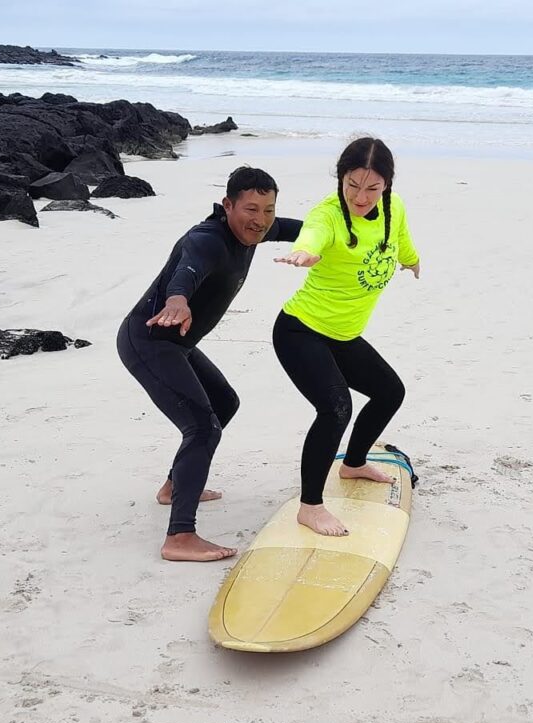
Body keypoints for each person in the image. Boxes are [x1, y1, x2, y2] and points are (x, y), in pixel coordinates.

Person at [117, 167, 302, 562]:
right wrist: (177, 300)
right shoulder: (209, 239)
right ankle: (180, 537)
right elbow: (187, 270)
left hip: (177, 343)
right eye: (251, 209)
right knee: (202, 426)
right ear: (227, 205)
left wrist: (352, 232)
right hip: (149, 340)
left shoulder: (254, 229)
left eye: (269, 209)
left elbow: (297, 229)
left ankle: (173, 487)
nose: (261, 219)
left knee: (224, 404)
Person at [273, 137, 420, 537]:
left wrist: (411, 260)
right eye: (352, 184)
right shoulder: (328, 216)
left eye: (372, 187)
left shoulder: (394, 208)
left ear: (387, 184)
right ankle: (310, 506)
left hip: (342, 335)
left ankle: (353, 463)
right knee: (336, 407)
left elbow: (400, 237)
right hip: (301, 330)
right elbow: (313, 233)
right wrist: (305, 252)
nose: (361, 196)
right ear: (341, 178)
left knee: (390, 392)